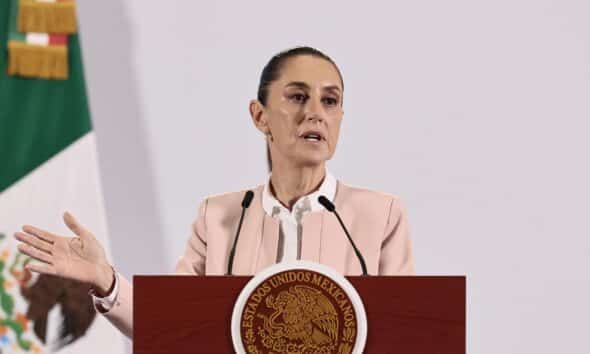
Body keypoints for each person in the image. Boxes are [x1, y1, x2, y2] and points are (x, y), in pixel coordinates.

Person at [14, 46, 414, 339]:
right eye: (297, 97)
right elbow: (170, 327)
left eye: (330, 101)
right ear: (260, 116)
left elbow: (412, 335)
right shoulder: (220, 217)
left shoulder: (379, 216)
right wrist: (106, 280)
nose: (316, 113)